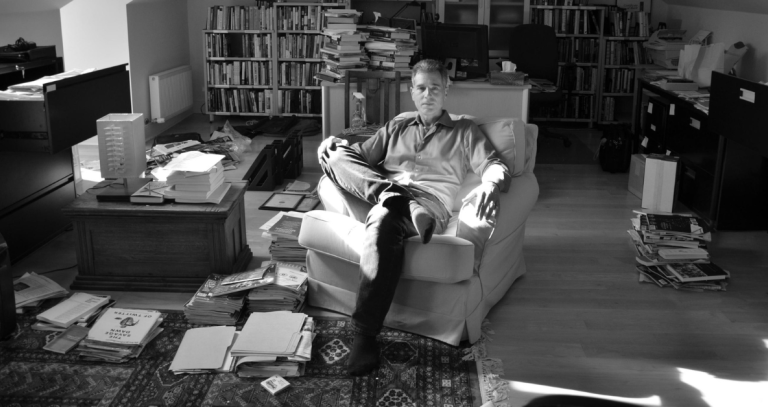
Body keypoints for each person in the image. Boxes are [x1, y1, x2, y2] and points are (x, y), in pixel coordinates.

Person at [318, 59, 511, 376]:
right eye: (421, 88)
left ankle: (365, 335)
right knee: (332, 152)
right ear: (411, 91)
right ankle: (391, 196)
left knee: (383, 218)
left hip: (429, 202)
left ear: (446, 90)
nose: (428, 94)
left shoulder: (464, 131)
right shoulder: (396, 126)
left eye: (435, 88)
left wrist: (490, 182)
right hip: (388, 192)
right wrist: (335, 146)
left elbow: (494, 165)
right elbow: (358, 161)